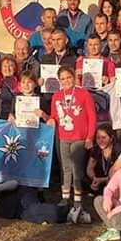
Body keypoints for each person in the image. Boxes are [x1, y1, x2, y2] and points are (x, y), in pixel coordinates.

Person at [46, 66, 96, 224]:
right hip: (63, 137)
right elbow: (54, 116)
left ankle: (78, 200)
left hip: (79, 137)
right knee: (66, 168)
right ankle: (65, 197)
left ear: (74, 77)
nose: (66, 81)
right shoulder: (57, 96)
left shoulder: (83, 93)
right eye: (62, 79)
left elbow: (92, 117)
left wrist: (90, 137)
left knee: (76, 168)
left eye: (68, 77)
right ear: (59, 81)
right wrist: (50, 119)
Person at [86, 124, 121, 196]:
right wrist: (94, 178)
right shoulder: (96, 149)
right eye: (98, 138)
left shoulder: (117, 150)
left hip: (113, 179)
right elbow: (89, 168)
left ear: (111, 138)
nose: (100, 141)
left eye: (104, 137)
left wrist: (102, 180)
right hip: (99, 179)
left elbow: (119, 173)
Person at [0, 55, 20, 120]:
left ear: (15, 69)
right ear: (0, 68)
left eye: (11, 66)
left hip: (12, 117)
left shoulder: (19, 83)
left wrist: (12, 113)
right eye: (5, 66)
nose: (7, 69)